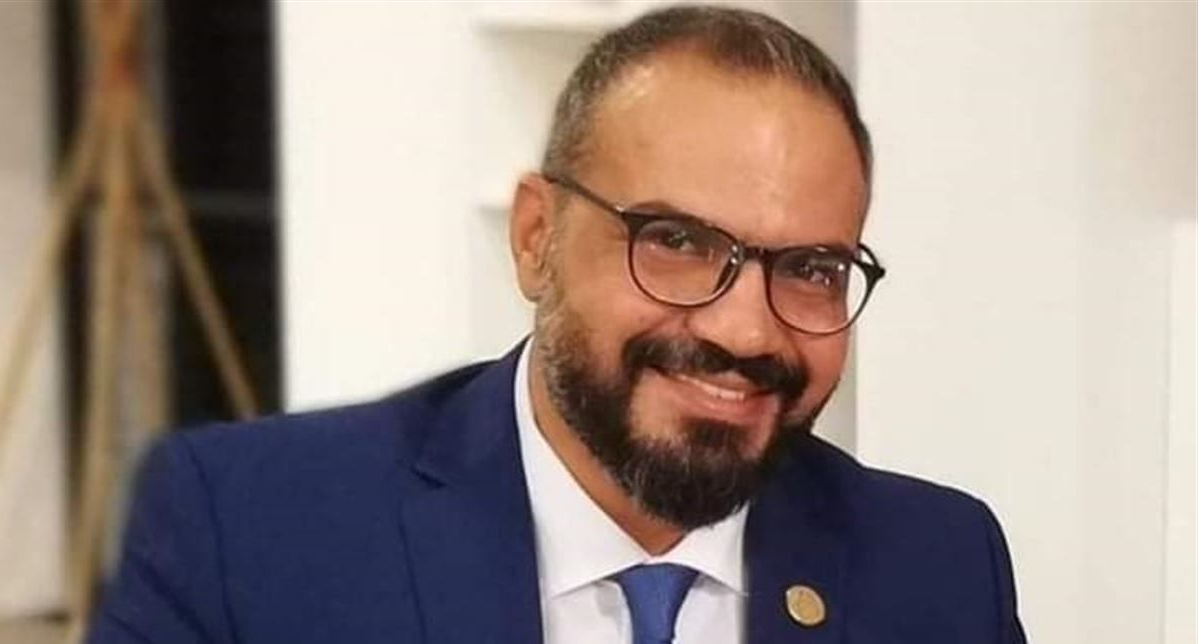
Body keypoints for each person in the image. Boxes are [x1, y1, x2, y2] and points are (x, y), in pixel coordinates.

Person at [89, 6, 1025, 643]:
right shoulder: (248, 531)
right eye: (678, 242)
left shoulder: (939, 568)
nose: (747, 333)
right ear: (537, 238)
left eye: (812, 269)